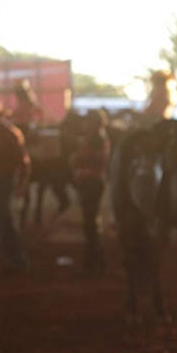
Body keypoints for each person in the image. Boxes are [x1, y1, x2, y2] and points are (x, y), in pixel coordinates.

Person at [0, 101, 31, 272]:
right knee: (4, 220)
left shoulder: (8, 134)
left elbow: (23, 162)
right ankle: (18, 259)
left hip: (5, 179)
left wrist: (22, 184)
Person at [69, 109, 111, 275]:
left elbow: (89, 159)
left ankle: (94, 263)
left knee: (90, 224)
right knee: (91, 223)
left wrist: (76, 160)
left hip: (91, 182)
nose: (84, 124)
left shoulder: (95, 139)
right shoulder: (97, 137)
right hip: (92, 182)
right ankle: (95, 262)